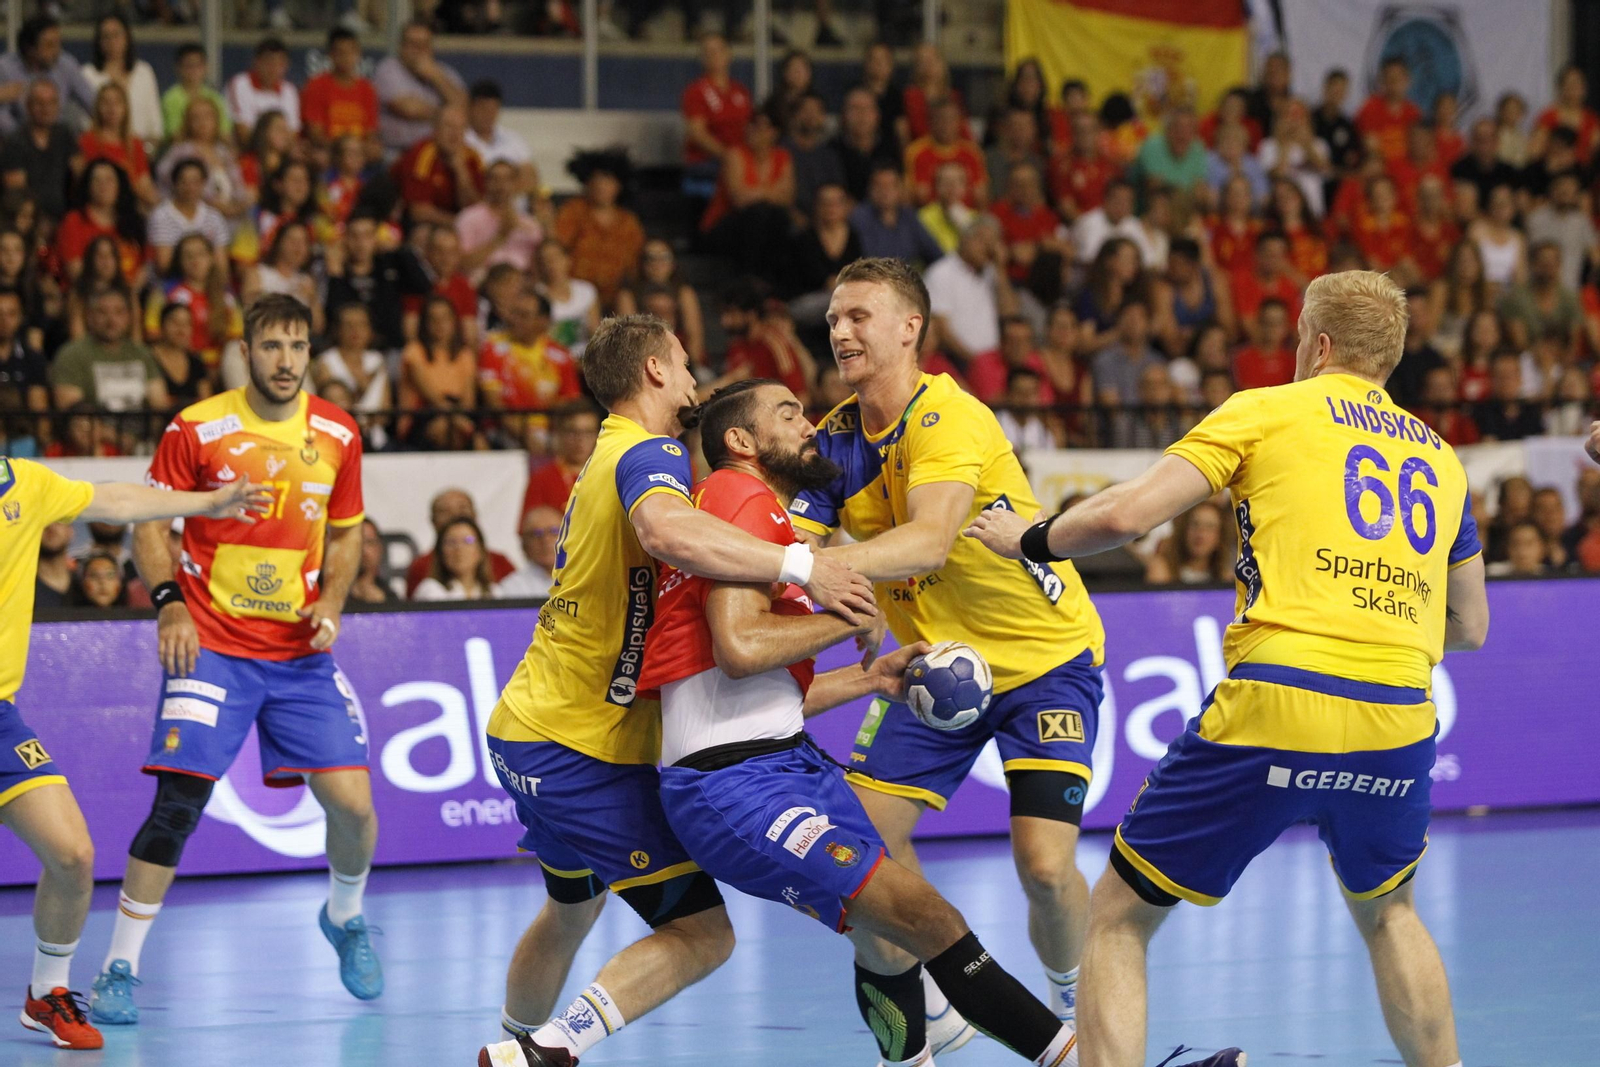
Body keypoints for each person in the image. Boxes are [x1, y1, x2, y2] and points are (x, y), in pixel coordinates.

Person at [967, 269, 1488, 1067]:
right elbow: (1473, 626)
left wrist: (1028, 538)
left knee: (1117, 915)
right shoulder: (1446, 460)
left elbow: (1127, 515)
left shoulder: (1267, 409)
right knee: (1390, 910)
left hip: (1278, 693)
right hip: (1401, 708)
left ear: (1317, 344)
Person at [538, 377, 1094, 1067]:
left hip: (778, 761)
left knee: (885, 938)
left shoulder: (753, 523)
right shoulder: (740, 499)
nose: (809, 425)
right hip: (737, 784)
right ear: (741, 441)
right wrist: (844, 611)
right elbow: (742, 649)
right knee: (930, 920)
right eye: (789, 414)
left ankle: (548, 1046)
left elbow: (755, 688)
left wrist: (872, 675)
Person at [477, 313, 875, 1064]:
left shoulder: (608, 454)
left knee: (572, 906)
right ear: (656, 370)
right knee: (704, 932)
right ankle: (537, 1055)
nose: (695, 381)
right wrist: (801, 566)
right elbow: (664, 530)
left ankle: (512, 1042)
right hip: (579, 748)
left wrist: (865, 673)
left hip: (528, 727)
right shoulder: (647, 450)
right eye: (687, 367)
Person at [789, 258, 1114, 1053]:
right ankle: (931, 1003)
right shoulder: (834, 438)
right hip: (934, 666)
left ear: (911, 328)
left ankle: (1070, 996)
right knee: (862, 845)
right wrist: (807, 583)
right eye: (834, 318)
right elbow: (794, 549)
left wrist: (827, 568)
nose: (840, 330)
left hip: (1044, 660)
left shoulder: (949, 417)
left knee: (1042, 867)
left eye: (859, 315)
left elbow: (929, 537)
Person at [87, 295, 383, 1025]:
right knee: (177, 807)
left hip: (296, 653)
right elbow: (153, 521)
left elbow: (346, 535)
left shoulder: (338, 432)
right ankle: (118, 966)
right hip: (212, 643)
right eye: (272, 345)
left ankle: (344, 915)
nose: (286, 359)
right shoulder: (198, 427)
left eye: (297, 345)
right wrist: (168, 600)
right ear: (245, 351)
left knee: (352, 804)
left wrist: (334, 602)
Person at [0, 453, 267, 1050]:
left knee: (71, 855)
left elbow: (114, 502)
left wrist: (207, 503)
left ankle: (47, 992)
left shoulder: (25, 483)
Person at [555, 148, 645, 310]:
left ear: (619, 185)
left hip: (616, 298)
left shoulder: (629, 222)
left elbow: (635, 265)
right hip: (577, 295)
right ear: (586, 183)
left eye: (607, 181)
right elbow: (558, 248)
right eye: (595, 180)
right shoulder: (573, 211)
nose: (601, 186)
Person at [50, 288, 165, 412]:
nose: (111, 319)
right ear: (89, 317)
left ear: (129, 317)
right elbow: (72, 410)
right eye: (102, 312)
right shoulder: (72, 355)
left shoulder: (142, 353)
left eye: (119, 312)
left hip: (144, 429)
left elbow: (159, 403)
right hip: (94, 429)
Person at [374, 19, 468, 155]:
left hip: (439, 153)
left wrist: (436, 77)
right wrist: (446, 115)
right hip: (398, 152)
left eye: (424, 44)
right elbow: (408, 109)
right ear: (401, 46)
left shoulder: (443, 72)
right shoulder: (388, 68)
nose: (418, 50)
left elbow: (463, 108)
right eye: (413, 44)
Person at [0, 16, 96, 136]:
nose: (57, 51)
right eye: (49, 45)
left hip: (59, 138)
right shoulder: (5, 68)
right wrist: (26, 140)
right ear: (30, 49)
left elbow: (92, 102)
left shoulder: (66, 64)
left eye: (58, 44)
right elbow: (2, 116)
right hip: (18, 140)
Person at [392, 104, 484, 229]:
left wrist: (461, 173)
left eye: (460, 128)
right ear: (435, 129)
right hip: (413, 224)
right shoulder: (420, 155)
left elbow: (476, 209)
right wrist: (460, 224)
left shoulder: (473, 158)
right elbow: (419, 213)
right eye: (449, 126)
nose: (455, 134)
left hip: (455, 223)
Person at [0, 79, 78, 223]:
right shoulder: (16, 142)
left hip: (65, 218)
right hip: (30, 221)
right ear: (28, 106)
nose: (46, 109)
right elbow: (17, 196)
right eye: (39, 103)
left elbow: (80, 175)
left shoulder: (65, 135)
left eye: (51, 102)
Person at [457, 160, 542, 285]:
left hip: (523, 285)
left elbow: (541, 264)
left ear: (516, 184)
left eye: (508, 179)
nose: (501, 185)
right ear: (486, 183)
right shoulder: (469, 218)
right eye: (495, 179)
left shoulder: (529, 223)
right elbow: (461, 264)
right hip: (483, 283)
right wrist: (501, 236)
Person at [82, 15, 162, 145]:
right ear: (99, 41)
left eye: (116, 35)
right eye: (106, 36)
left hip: (141, 150)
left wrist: (142, 152)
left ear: (127, 38)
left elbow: (155, 125)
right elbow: (84, 122)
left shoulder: (144, 72)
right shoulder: (88, 74)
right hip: (101, 151)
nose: (112, 41)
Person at [147, 159, 232, 274]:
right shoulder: (161, 216)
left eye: (195, 182)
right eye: (184, 182)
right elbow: (164, 265)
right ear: (175, 183)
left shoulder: (214, 217)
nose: (190, 187)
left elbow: (222, 265)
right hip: (172, 282)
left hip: (207, 282)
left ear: (203, 183)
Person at [851, 164, 943, 267]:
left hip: (903, 279)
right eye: (879, 185)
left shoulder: (909, 217)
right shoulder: (859, 218)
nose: (885, 191)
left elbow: (936, 255)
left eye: (890, 185)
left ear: (900, 188)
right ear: (870, 189)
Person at [225, 37, 299, 143]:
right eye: (269, 62)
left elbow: (292, 133)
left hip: (281, 154)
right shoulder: (240, 84)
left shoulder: (289, 90)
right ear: (256, 62)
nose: (274, 68)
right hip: (248, 152)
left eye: (280, 64)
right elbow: (242, 132)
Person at [413, 516, 500, 600]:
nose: (459, 549)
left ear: (481, 550)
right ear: (440, 552)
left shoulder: (494, 592)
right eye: (451, 542)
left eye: (468, 540)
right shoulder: (430, 591)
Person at [499, 505, 561, 598]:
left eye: (554, 531)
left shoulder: (587, 577)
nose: (546, 540)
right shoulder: (512, 588)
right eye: (537, 533)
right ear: (525, 544)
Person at [348, 518, 400, 605]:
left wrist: (382, 606)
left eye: (369, 542)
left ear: (379, 548)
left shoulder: (389, 597)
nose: (363, 549)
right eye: (356, 542)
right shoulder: (328, 594)